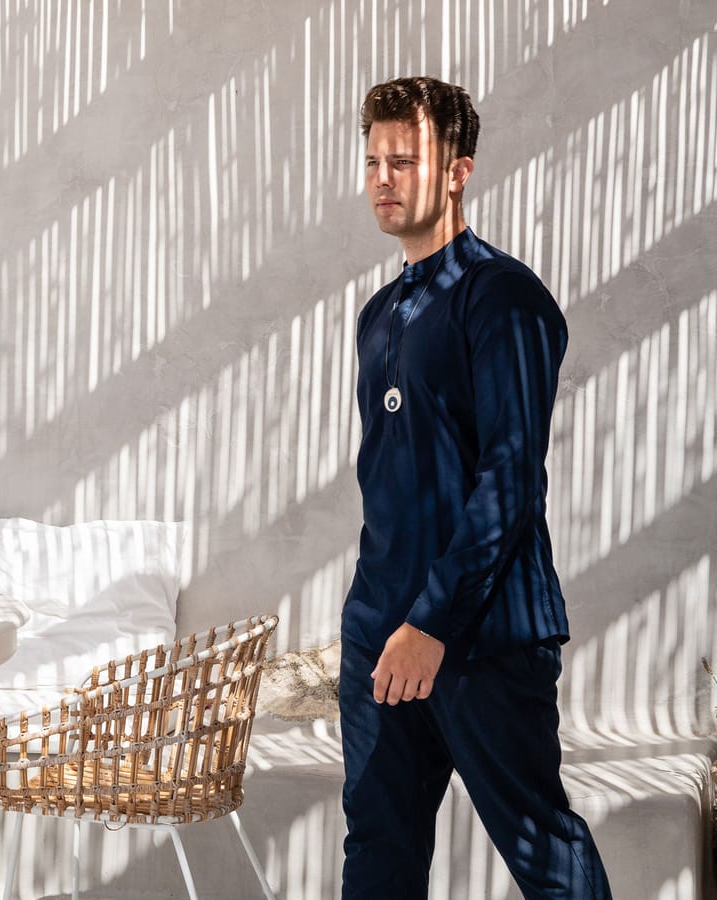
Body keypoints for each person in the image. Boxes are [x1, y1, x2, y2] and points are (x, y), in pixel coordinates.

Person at [339, 76, 613, 899]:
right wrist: (374, 619)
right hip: (381, 636)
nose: (382, 178)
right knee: (378, 853)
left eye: (405, 161)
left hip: (484, 637)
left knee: (542, 849)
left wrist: (432, 621)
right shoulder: (379, 315)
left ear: (458, 171)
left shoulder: (506, 298)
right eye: (374, 161)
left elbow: (510, 474)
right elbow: (387, 479)